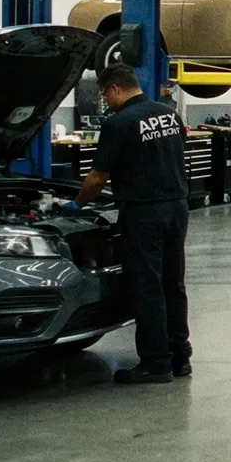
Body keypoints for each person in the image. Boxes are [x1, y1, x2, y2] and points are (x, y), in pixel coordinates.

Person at [71, 65, 191, 385]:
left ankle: (155, 362)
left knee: (148, 285)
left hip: (144, 212)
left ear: (114, 89)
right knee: (172, 282)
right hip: (177, 207)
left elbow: (97, 178)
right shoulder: (169, 115)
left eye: (104, 94)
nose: (104, 100)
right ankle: (180, 357)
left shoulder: (117, 123)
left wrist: (75, 205)